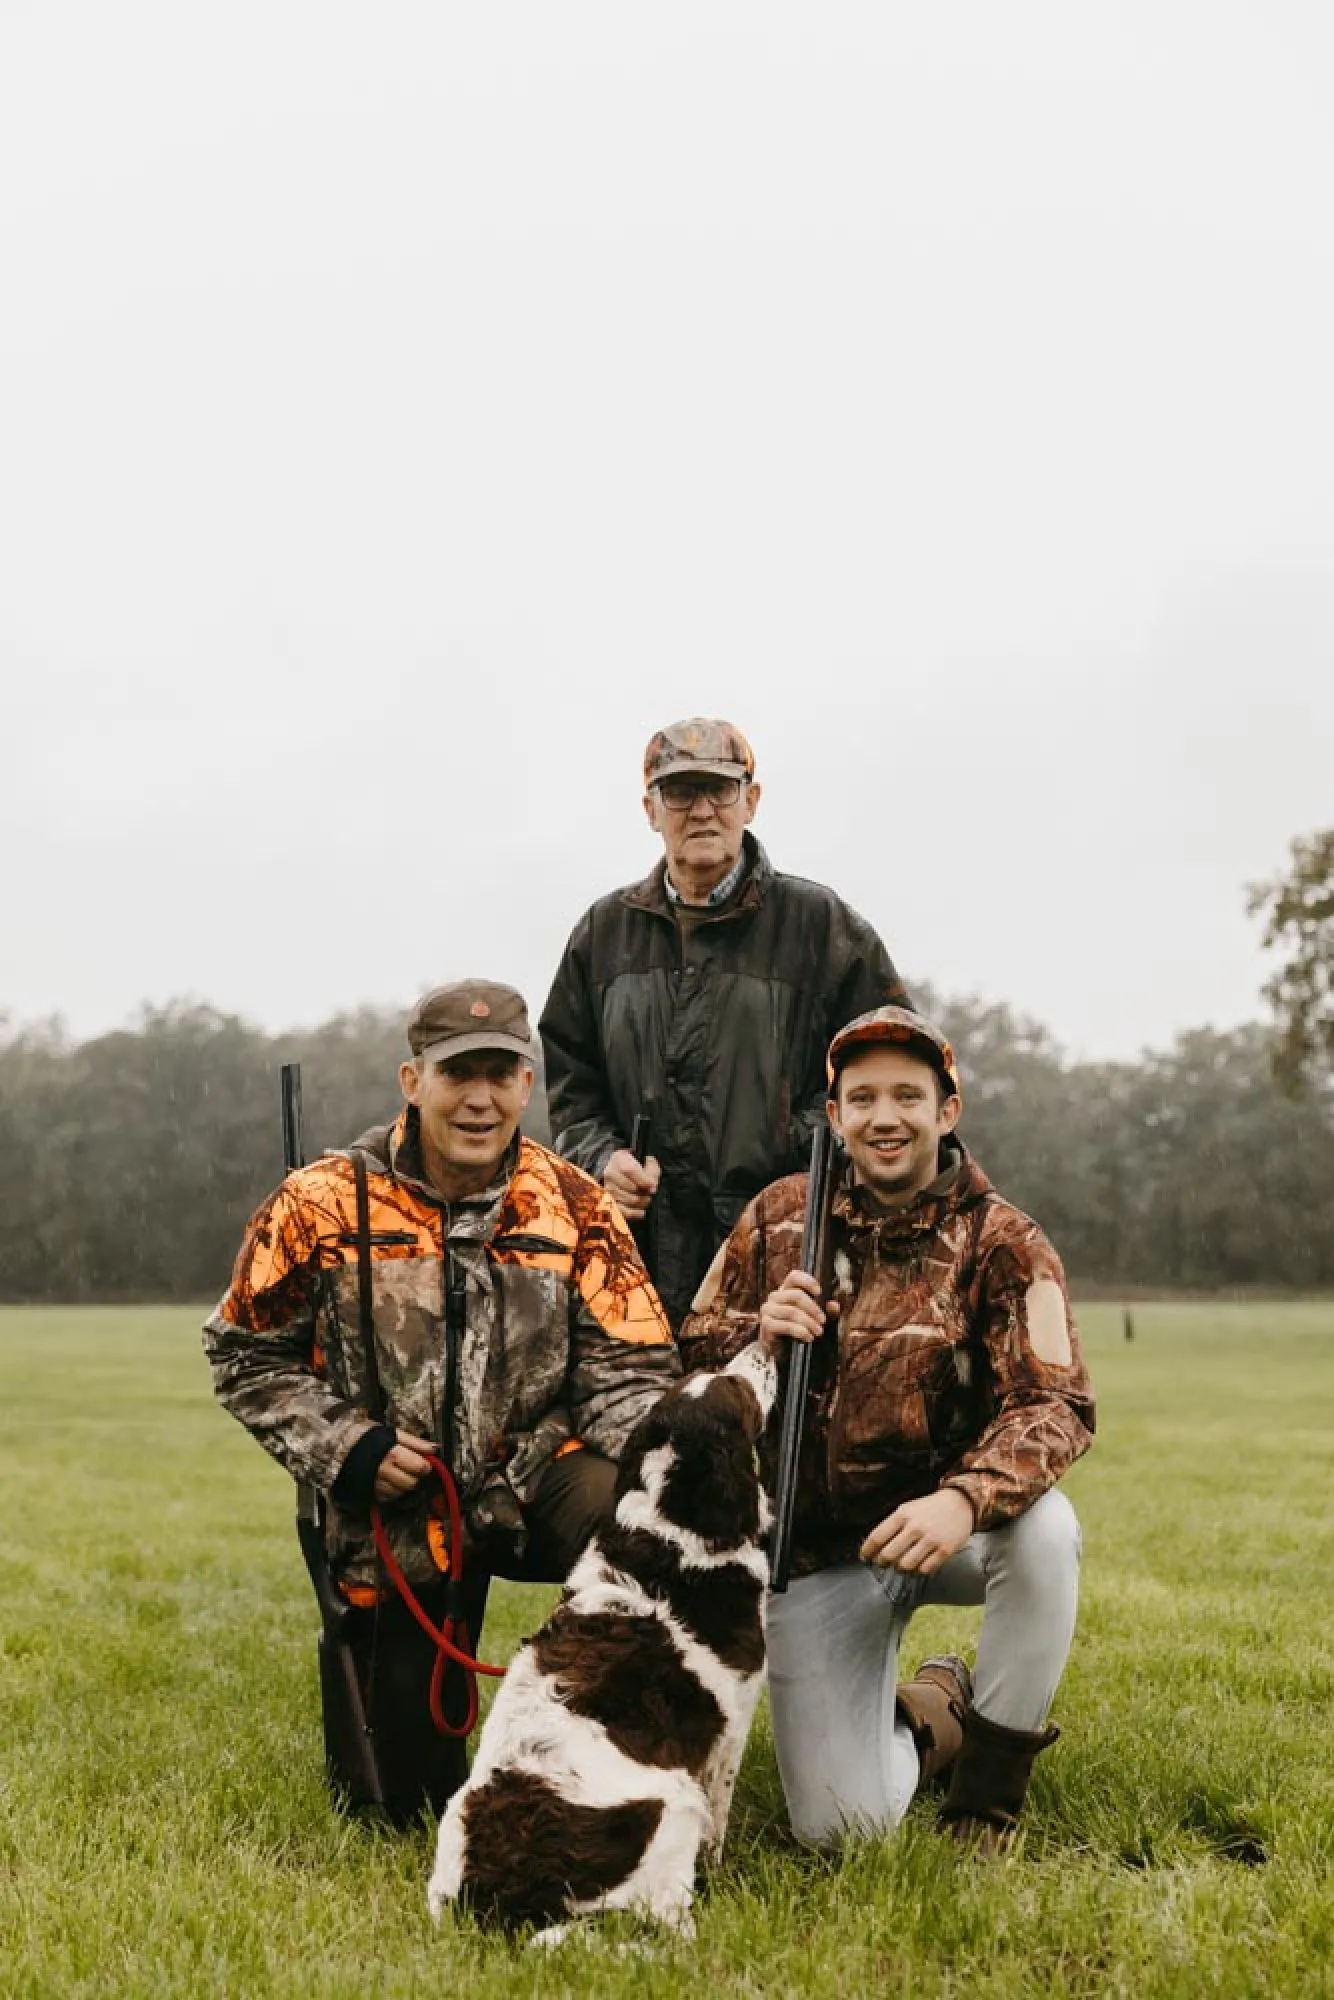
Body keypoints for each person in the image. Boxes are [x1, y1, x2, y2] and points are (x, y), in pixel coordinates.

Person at [203, 979, 678, 1822]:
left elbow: (630, 1368)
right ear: (412, 1081)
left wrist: (674, 1477)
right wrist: (346, 1447)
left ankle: (613, 1767)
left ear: (528, 1086)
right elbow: (243, 1352)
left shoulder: (578, 1206)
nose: (481, 1098)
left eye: (502, 1074)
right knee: (400, 1806)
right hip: (399, 1502)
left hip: (538, 1478)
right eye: (459, 1073)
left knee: (643, 1536)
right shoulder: (318, 1202)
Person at [679, 1005, 1095, 1852]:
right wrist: (758, 1335)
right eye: (861, 1099)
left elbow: (1057, 1406)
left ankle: (985, 1801)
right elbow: (687, 1362)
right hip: (819, 1558)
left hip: (947, 1532)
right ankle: (936, 1707)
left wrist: (965, 1501)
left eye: (908, 1095)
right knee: (843, 1832)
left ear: (948, 1110)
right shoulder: (775, 1218)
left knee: (1045, 1532)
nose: (885, 1117)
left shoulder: (1005, 1240)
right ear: (835, 1118)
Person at [539, 717, 911, 1327]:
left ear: (752, 800)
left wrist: (790, 1149)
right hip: (638, 1265)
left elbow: (891, 1071)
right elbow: (571, 1091)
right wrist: (603, 1159)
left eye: (721, 789)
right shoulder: (602, 935)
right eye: (680, 792)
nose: (702, 809)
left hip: (789, 1260)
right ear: (651, 809)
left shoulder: (821, 926)